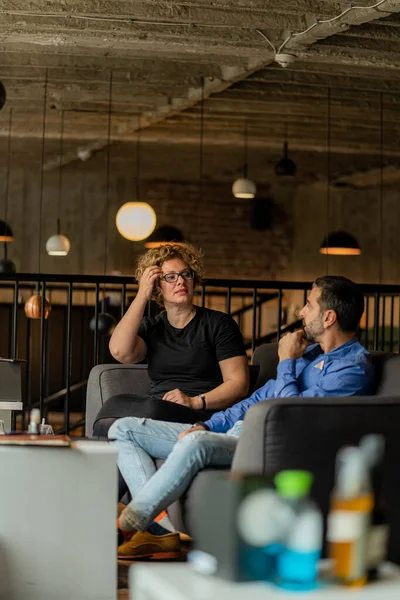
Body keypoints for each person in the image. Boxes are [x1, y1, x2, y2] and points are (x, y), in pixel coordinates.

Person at [109, 275, 375, 559]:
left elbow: (293, 415)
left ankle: (130, 524)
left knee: (195, 444)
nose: (301, 312)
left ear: (329, 317)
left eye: (308, 305)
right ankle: (159, 530)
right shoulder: (307, 355)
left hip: (258, 441)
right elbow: (256, 400)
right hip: (230, 432)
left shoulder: (351, 369)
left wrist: (286, 362)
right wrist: (205, 424)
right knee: (123, 429)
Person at [94, 242, 249, 498]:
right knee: (111, 411)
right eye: (170, 277)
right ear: (157, 286)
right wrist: (142, 295)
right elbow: (121, 352)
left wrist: (194, 401)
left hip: (198, 412)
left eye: (186, 274)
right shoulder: (153, 326)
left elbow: (238, 383)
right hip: (157, 409)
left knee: (136, 414)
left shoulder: (218, 324)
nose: (181, 281)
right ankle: (124, 513)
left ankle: (105, 510)